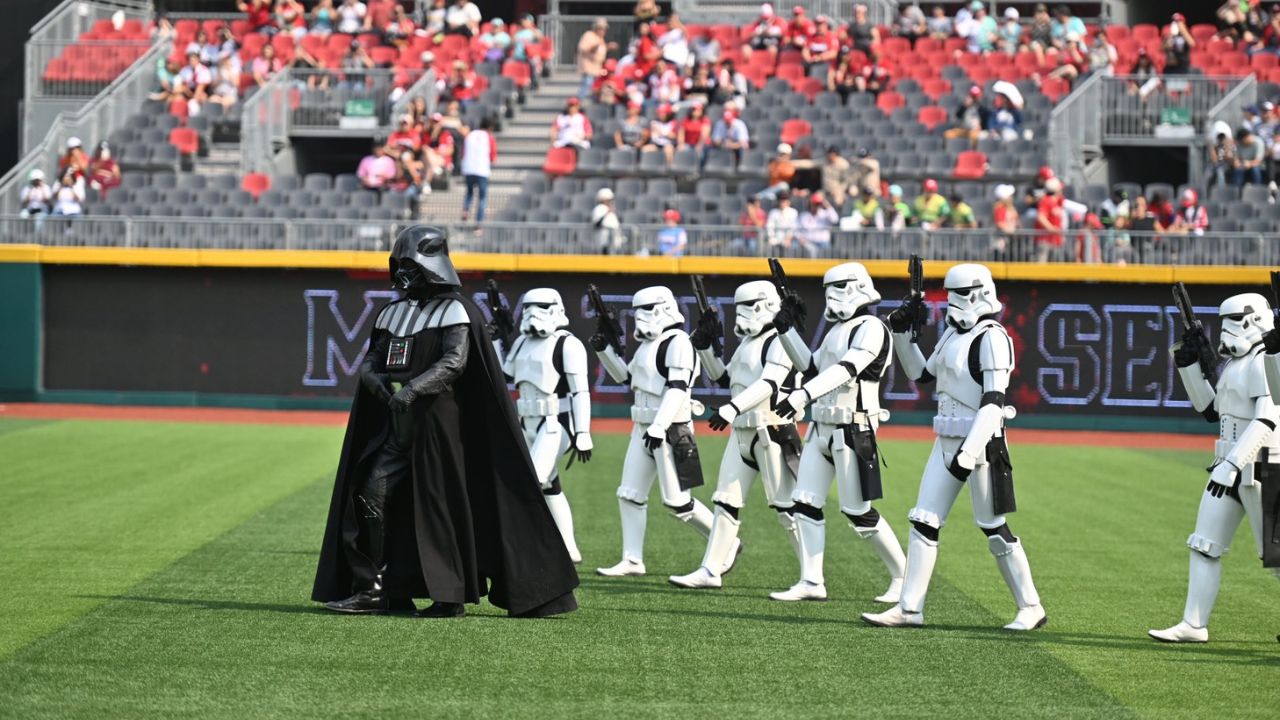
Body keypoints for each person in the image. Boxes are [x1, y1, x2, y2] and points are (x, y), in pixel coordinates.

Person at [312, 227, 579, 619]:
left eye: (411, 266)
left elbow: (455, 361)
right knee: (371, 494)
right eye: (399, 266)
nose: (404, 275)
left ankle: (449, 594)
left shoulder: (456, 310)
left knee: (439, 508)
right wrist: (381, 386)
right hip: (397, 427)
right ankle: (378, 588)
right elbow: (372, 359)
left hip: (439, 430)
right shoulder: (393, 312)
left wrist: (413, 390)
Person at [864, 264, 1047, 631]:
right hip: (945, 439)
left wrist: (968, 453)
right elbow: (922, 375)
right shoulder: (952, 334)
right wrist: (901, 333)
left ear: (980, 293)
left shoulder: (992, 336)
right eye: (949, 294)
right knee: (924, 520)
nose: (952, 302)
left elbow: (994, 401)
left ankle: (1031, 606)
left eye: (959, 294)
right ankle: (910, 608)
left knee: (993, 526)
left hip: (981, 445)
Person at [766, 263, 907, 603]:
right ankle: (811, 581)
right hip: (822, 426)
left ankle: (904, 575)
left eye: (840, 287)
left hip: (853, 425)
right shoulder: (836, 331)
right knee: (805, 502)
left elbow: (847, 369)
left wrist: (802, 394)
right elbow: (812, 367)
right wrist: (785, 332)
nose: (833, 295)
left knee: (858, 510)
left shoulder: (872, 327)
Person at [1150, 295, 1280, 643]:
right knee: (1205, 544)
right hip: (1228, 466)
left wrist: (1234, 464)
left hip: (1260, 467)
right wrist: (1189, 366)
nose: (1226, 330)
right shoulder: (1236, 364)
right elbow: (1210, 410)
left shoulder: (1265, 362)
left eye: (1234, 320)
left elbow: (1268, 417)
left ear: (1254, 320)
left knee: (1276, 556)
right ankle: (1193, 623)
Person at [670, 281, 801, 590]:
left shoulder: (780, 341)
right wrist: (704, 348)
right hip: (743, 432)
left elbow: (770, 383)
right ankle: (710, 569)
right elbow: (726, 376)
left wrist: (732, 407)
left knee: (786, 507)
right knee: (726, 500)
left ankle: (812, 576)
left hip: (772, 430)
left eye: (749, 306)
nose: (742, 314)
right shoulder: (749, 343)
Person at [591, 287, 715, 577]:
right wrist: (604, 351)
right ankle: (632, 560)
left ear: (662, 309)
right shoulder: (650, 344)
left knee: (677, 501)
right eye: (638, 311)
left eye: (647, 310)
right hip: (644, 428)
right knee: (629, 494)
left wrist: (660, 425)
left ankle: (724, 541)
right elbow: (627, 378)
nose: (640, 318)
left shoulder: (679, 343)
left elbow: (678, 388)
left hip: (670, 428)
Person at [491, 288, 593, 564]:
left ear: (556, 309)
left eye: (541, 306)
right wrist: (497, 342)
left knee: (531, 481)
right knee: (548, 485)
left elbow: (580, 392)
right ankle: (568, 548)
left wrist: (583, 432)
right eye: (529, 306)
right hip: (526, 421)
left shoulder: (568, 344)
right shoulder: (523, 343)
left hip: (555, 423)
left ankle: (530, 546)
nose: (533, 312)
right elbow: (505, 374)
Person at [461, 118, 495, 223]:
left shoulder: (470, 135)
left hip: (468, 169)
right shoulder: (489, 137)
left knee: (469, 192)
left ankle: (466, 210)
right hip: (482, 170)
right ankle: (479, 223)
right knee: (482, 197)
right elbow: (492, 155)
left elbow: (463, 152)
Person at [577, 18, 610, 99]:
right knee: (586, 86)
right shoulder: (589, 35)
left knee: (595, 88)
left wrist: (608, 46)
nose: (602, 31)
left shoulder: (600, 38)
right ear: (595, 28)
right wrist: (595, 46)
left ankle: (591, 107)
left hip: (597, 69)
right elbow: (583, 49)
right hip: (588, 67)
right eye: (600, 28)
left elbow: (601, 52)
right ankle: (579, 105)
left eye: (604, 29)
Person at [798, 192, 838, 257]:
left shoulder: (825, 214)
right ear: (810, 204)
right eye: (815, 204)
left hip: (823, 242)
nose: (816, 206)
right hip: (808, 242)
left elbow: (835, 219)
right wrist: (800, 238)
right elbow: (798, 229)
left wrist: (827, 205)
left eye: (818, 204)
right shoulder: (804, 215)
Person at [1035, 177, 1066, 261]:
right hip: (1045, 240)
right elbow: (1040, 217)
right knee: (1042, 269)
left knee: (1055, 270)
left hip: (1055, 241)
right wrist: (1051, 229)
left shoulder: (1057, 202)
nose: (1061, 190)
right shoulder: (1046, 200)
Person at [992, 184, 1020, 258]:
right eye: (1010, 196)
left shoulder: (1010, 208)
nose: (1011, 198)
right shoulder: (1000, 208)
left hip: (1010, 241)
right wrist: (1011, 231)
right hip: (1002, 242)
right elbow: (999, 223)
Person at [592, 188, 623, 252]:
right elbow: (597, 224)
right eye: (609, 200)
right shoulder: (599, 209)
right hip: (603, 240)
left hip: (613, 240)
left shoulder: (611, 210)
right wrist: (606, 213)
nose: (610, 201)